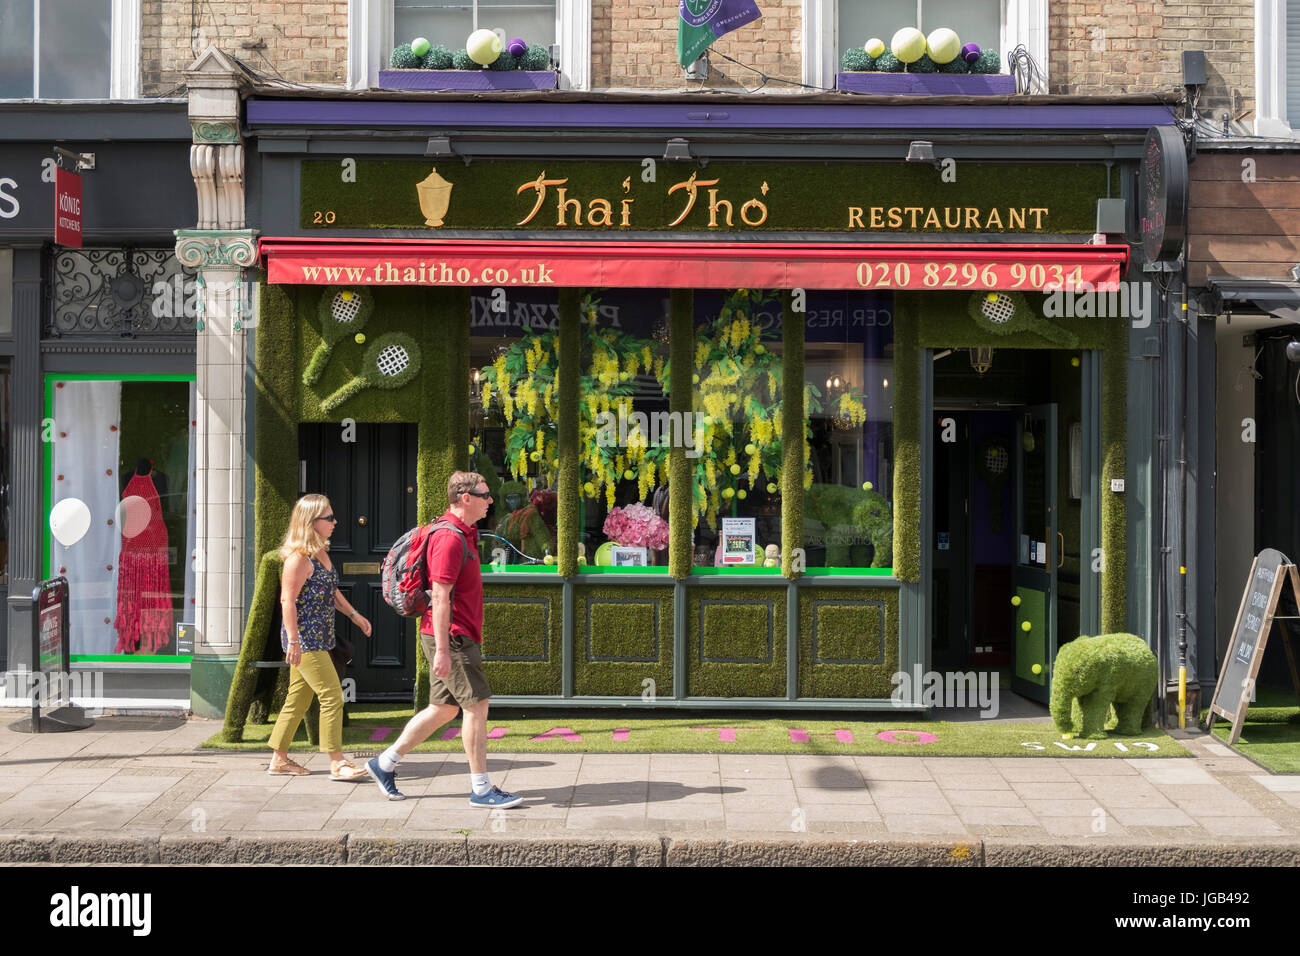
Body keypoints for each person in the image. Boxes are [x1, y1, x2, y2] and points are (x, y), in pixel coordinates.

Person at [366, 471, 522, 807]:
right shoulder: (449, 539)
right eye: (485, 494)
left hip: (450, 636)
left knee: (442, 709)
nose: (491, 500)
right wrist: (442, 651)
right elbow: (440, 596)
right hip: (452, 637)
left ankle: (383, 763)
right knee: (477, 707)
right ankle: (481, 789)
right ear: (466, 498)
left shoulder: (464, 532)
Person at [267, 493, 372, 781]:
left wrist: (355, 615)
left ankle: (278, 759)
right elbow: (287, 601)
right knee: (331, 695)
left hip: (321, 637)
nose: (335, 522)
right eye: (329, 518)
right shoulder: (298, 560)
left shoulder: (321, 554)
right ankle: (337, 762)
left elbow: (332, 592)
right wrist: (294, 642)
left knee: (298, 699)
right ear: (311, 522)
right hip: (304, 640)